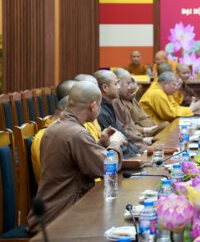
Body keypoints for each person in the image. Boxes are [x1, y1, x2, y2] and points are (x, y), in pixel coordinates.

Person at [27, 81, 127, 233]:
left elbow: (76, 159)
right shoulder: (76, 133)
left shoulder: (55, 127)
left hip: (48, 212)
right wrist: (115, 143)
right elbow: (107, 167)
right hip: (61, 215)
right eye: (99, 106)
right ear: (93, 106)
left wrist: (101, 143)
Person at [94, 70, 140, 158]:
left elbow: (124, 137)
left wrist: (137, 154)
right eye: (116, 84)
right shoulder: (101, 112)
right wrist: (135, 157)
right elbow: (113, 144)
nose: (119, 87)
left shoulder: (110, 106)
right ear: (105, 88)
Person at [112, 68, 153, 149]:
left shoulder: (127, 100)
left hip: (138, 138)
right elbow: (123, 131)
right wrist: (144, 136)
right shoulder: (115, 102)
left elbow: (131, 125)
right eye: (128, 83)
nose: (129, 87)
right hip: (131, 145)